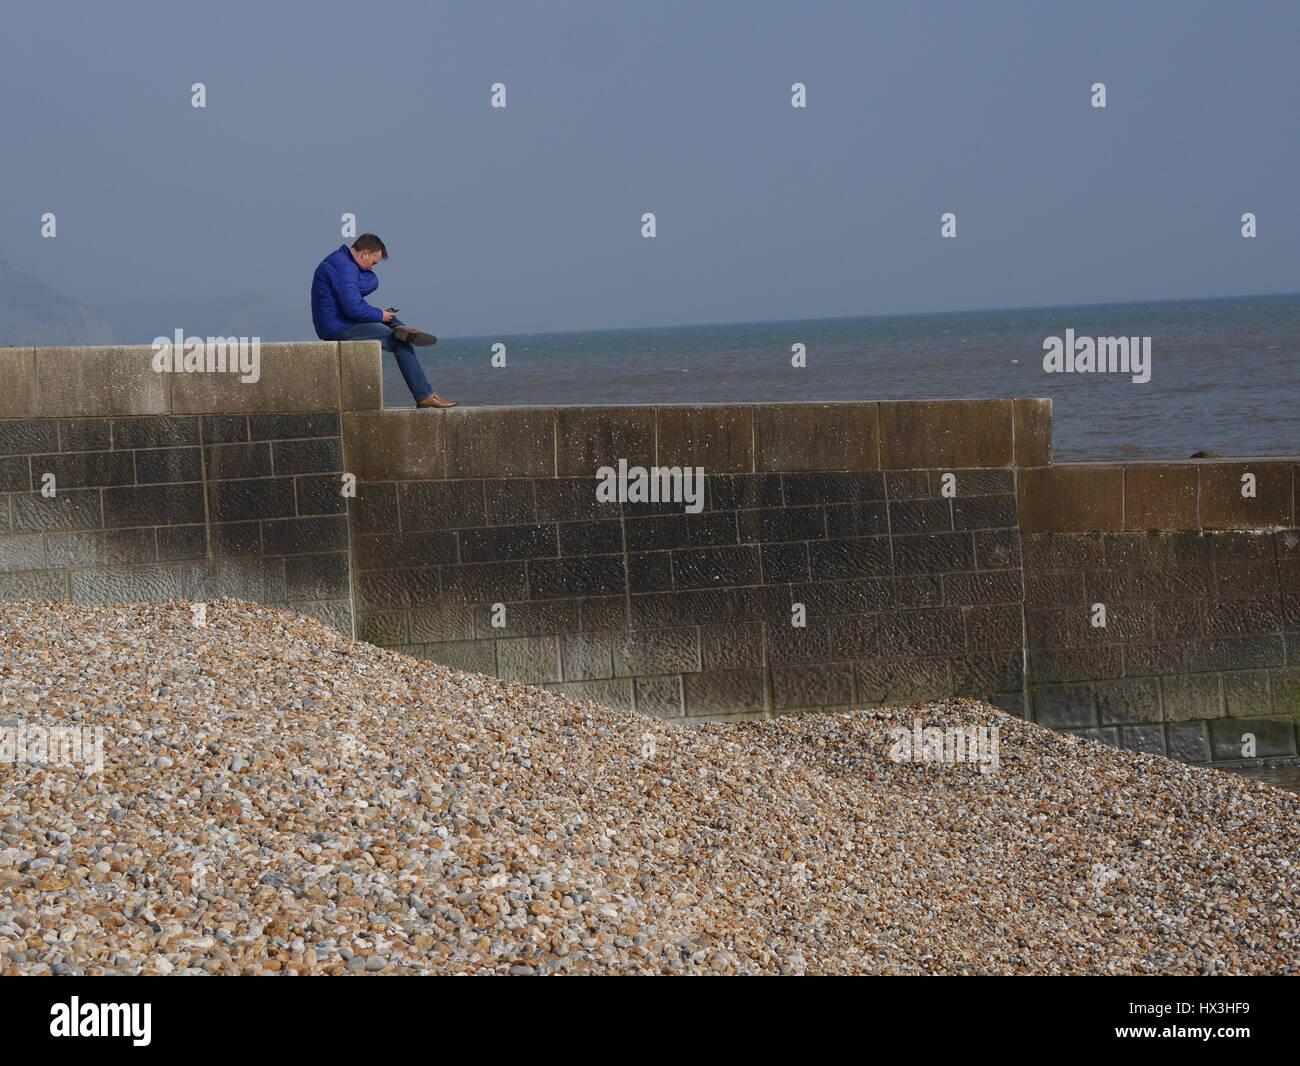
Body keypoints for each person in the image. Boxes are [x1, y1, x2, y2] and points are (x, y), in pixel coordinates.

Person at [310, 234, 457, 408]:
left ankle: (399, 326)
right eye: (374, 262)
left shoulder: (340, 261)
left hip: (339, 321)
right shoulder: (345, 268)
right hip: (339, 327)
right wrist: (380, 316)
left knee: (388, 317)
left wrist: (381, 314)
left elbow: (355, 296)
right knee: (400, 342)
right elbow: (354, 308)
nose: (373, 267)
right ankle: (424, 395)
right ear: (364, 253)